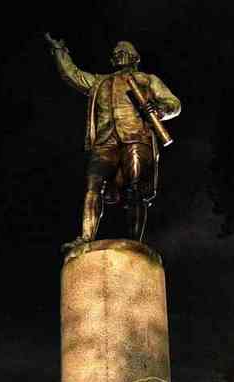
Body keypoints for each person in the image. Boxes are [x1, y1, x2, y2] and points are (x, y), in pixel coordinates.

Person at [44, 33, 181, 247]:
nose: (119, 56)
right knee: (93, 186)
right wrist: (60, 52)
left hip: (136, 137)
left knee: (136, 189)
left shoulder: (147, 79)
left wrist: (160, 109)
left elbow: (173, 103)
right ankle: (86, 238)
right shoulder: (100, 82)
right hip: (105, 140)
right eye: (116, 53)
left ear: (135, 59)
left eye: (124, 52)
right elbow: (73, 75)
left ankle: (136, 243)